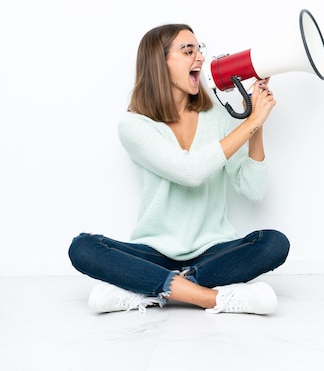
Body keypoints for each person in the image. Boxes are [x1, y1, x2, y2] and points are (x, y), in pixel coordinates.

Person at [68, 23, 290, 315]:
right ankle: (210, 297)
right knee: (83, 247)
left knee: (274, 243)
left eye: (200, 50)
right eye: (188, 51)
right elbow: (190, 172)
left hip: (212, 251)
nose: (200, 58)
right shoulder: (134, 126)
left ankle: (147, 289)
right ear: (159, 64)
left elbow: (254, 189)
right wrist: (249, 124)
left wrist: (255, 122)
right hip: (153, 252)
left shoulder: (218, 117)